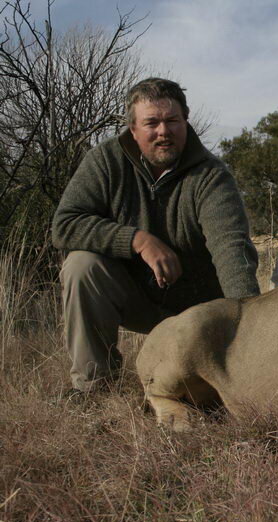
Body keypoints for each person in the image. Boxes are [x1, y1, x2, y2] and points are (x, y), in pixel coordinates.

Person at [52, 77, 260, 393]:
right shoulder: (105, 161)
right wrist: (138, 241)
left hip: (197, 311)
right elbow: (65, 225)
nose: (163, 132)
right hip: (137, 299)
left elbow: (230, 247)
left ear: (185, 123)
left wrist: (250, 324)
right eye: (151, 123)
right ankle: (93, 387)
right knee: (81, 265)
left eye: (172, 121)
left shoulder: (212, 176)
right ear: (133, 130)